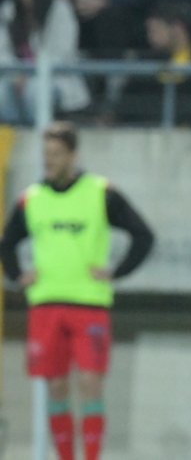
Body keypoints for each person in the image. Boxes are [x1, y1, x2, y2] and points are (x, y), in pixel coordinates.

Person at [0, 121, 155, 460]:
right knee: (55, 386)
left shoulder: (100, 193)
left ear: (72, 154)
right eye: (45, 155)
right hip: (45, 303)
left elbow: (143, 235)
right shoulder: (32, 198)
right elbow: (7, 243)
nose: (49, 161)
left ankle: (92, 456)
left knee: (90, 382)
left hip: (89, 303)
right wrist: (17, 274)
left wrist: (116, 271)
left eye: (55, 154)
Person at [0, 0, 90, 124]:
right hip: (16, 78)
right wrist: (16, 73)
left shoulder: (59, 9)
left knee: (35, 91)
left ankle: (36, 140)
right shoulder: (8, 10)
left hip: (54, 79)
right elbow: (2, 51)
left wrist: (29, 74)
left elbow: (61, 53)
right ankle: (14, 136)